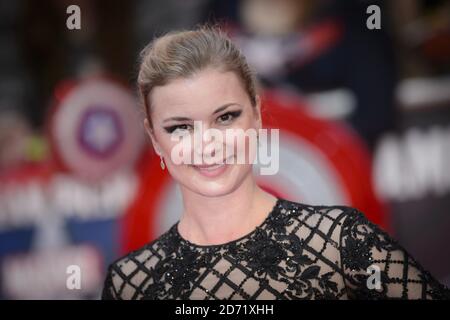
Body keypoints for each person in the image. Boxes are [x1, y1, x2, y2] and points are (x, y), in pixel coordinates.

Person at [101, 26, 449, 300]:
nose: (206, 144)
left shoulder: (341, 241)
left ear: (256, 115)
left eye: (225, 118)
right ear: (153, 138)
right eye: (180, 127)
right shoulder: (131, 283)